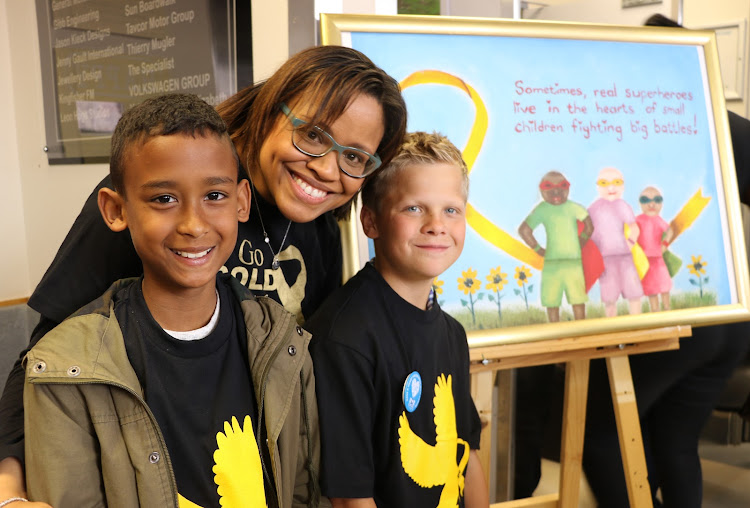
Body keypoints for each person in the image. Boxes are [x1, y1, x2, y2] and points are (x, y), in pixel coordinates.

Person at [0, 45, 407, 506]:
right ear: (270, 110)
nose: (326, 168)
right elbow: (51, 357)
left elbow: (304, 384)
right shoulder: (161, 184)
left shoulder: (321, 234)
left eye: (354, 157)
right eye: (312, 135)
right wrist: (8, 488)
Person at [21, 93, 322, 507]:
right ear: (115, 209)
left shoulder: (284, 342)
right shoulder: (64, 369)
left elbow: (302, 489)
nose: (194, 225)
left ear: (241, 202)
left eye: (214, 196)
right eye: (164, 199)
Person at [580, 14, 750, 508]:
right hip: (727, 316)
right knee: (676, 443)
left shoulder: (630, 129)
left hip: (665, 316)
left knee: (600, 436)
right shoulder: (724, 122)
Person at [306, 132, 489, 507]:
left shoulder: (451, 333)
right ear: (370, 222)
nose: (437, 225)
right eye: (414, 209)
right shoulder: (345, 338)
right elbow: (350, 499)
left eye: (451, 210)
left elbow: (465, 454)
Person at [518, 171, 593, 322]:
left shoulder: (572, 207)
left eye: (562, 186)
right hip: (556, 264)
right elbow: (524, 230)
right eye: (549, 187)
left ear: (567, 189)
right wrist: (538, 249)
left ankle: (582, 332)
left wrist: (583, 240)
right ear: (542, 190)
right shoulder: (543, 209)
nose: (556, 192)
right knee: (552, 302)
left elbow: (589, 226)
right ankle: (556, 334)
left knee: (576, 300)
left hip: (572, 263)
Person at [588, 166, 643, 316]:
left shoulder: (623, 206)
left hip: (625, 257)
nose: (611, 187)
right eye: (605, 183)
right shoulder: (593, 209)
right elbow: (587, 233)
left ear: (623, 186)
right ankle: (612, 326)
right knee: (609, 298)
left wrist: (630, 244)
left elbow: (634, 228)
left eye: (617, 182)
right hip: (604, 260)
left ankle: (637, 323)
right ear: (598, 186)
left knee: (634, 294)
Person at [635, 186, 674, 312]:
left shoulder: (658, 220)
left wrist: (665, 245)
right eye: (645, 200)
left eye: (656, 200)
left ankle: (667, 309)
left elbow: (669, 231)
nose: (651, 204)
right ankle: (655, 312)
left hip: (658, 259)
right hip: (644, 261)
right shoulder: (638, 220)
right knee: (651, 289)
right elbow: (631, 232)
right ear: (640, 203)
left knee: (664, 286)